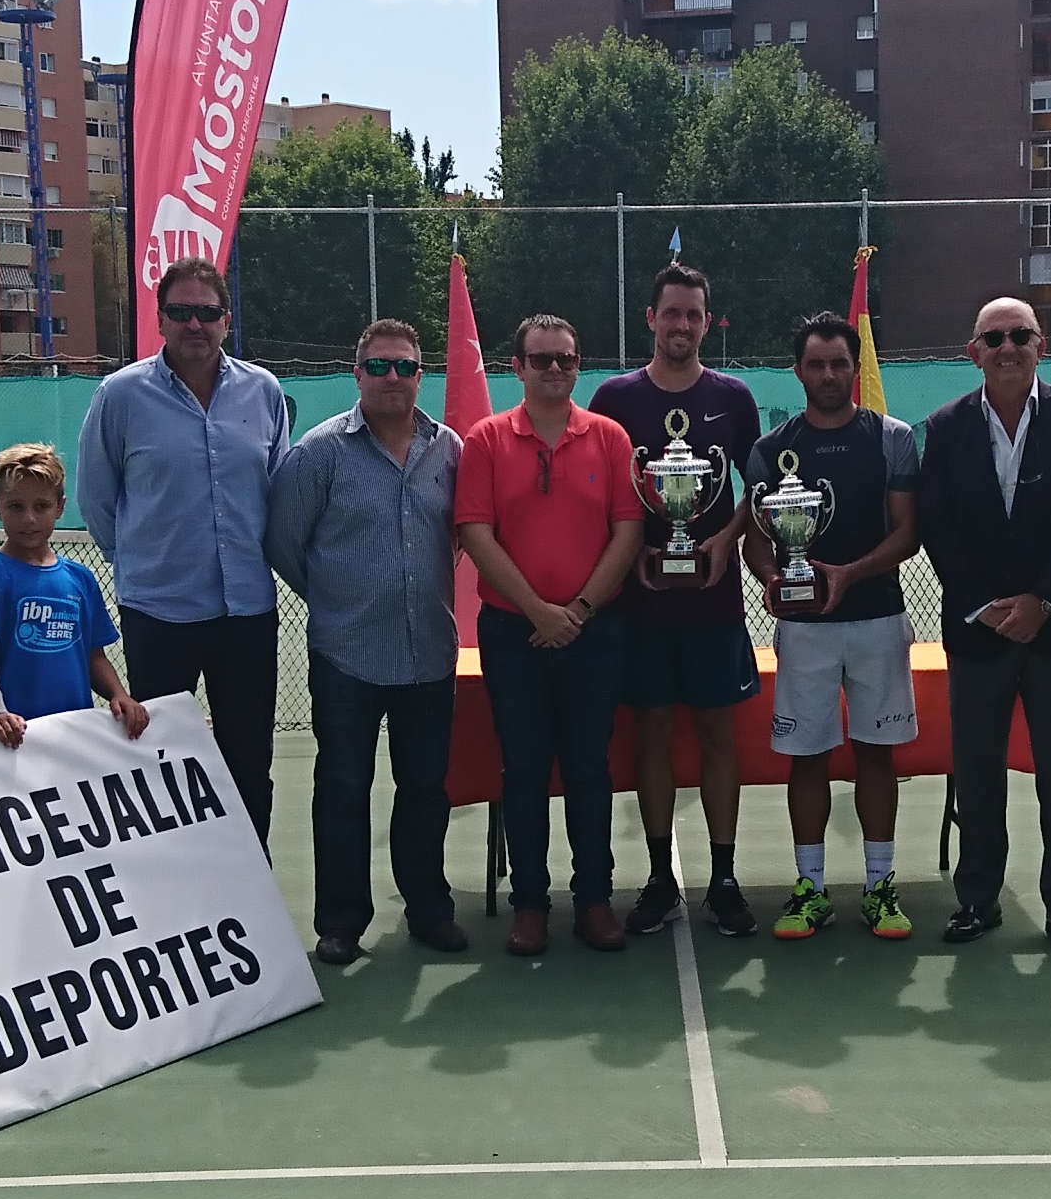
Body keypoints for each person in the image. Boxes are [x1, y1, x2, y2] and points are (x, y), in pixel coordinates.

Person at [267, 319, 468, 965]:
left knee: (425, 789)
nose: (392, 378)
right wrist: (337, 602)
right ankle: (340, 922)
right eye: (378, 366)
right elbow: (283, 543)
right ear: (357, 374)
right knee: (344, 788)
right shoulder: (319, 453)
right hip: (346, 657)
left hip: (428, 651)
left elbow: (463, 535)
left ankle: (428, 908)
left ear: (421, 376)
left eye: (405, 366)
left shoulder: (449, 450)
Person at [915, 296, 1051, 952]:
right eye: (993, 338)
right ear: (973, 352)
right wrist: (983, 605)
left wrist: (1040, 601)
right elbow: (937, 523)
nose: (1007, 348)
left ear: (1040, 345)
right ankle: (977, 898)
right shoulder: (944, 427)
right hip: (978, 630)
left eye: (1020, 336)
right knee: (977, 773)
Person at [76, 254, 290, 842]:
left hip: (246, 612)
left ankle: (250, 879)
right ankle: (172, 884)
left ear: (227, 320)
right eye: (181, 311)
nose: (195, 324)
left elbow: (277, 490)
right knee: (158, 764)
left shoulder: (263, 392)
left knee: (249, 762)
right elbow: (97, 498)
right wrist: (145, 561)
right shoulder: (121, 396)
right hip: (159, 614)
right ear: (160, 318)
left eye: (208, 312)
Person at [453, 312, 646, 954]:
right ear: (518, 367)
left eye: (566, 358)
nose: (555, 369)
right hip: (513, 635)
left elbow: (629, 530)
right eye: (541, 359)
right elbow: (475, 533)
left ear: (578, 365)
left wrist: (579, 611)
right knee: (525, 770)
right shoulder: (485, 439)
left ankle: (594, 900)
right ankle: (530, 905)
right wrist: (539, 611)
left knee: (590, 769)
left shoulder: (610, 437)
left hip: (596, 633)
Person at [588, 261, 763, 937]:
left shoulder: (735, 398)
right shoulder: (614, 398)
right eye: (672, 314)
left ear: (706, 322)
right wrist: (631, 551)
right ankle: (660, 877)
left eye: (693, 314)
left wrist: (721, 540)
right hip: (640, 607)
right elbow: (604, 496)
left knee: (719, 736)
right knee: (652, 735)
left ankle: (724, 877)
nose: (682, 325)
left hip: (714, 604)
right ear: (651, 319)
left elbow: (760, 492)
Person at [754, 313, 925, 942]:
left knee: (877, 754)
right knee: (807, 756)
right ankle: (811, 888)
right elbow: (756, 541)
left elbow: (908, 533)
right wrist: (774, 579)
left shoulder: (892, 438)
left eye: (839, 364)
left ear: (856, 369)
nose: (828, 375)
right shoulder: (771, 449)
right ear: (798, 371)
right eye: (816, 365)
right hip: (805, 629)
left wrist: (849, 575)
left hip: (877, 618)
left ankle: (879, 886)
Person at [0, 442, 146, 747]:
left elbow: (94, 657)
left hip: (69, 740)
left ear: (60, 507)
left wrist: (119, 694)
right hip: (7, 741)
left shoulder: (80, 579)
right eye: (16, 507)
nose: (29, 518)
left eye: (41, 506)